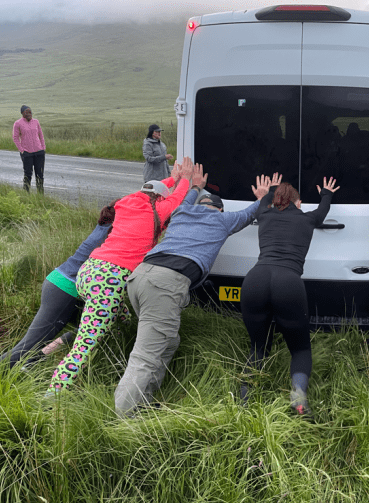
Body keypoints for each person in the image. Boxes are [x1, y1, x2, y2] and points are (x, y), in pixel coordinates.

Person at [114, 168, 273, 416]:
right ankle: (122, 420)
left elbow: (188, 197)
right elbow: (252, 212)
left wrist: (196, 185)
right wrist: (264, 195)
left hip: (139, 277)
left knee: (168, 342)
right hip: (165, 285)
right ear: (220, 209)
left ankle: (143, 402)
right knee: (145, 357)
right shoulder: (223, 219)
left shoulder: (182, 211)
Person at [46, 158, 194, 394]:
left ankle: (119, 331)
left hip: (90, 271)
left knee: (119, 317)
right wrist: (186, 179)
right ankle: (53, 394)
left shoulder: (127, 202)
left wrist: (173, 178)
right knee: (85, 346)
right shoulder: (158, 208)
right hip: (109, 280)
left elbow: (150, 189)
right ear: (160, 199)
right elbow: (176, 200)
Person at [240, 175, 339, 416]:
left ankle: (244, 405)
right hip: (288, 282)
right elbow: (323, 209)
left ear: (274, 202)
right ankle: (298, 399)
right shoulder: (307, 219)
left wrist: (269, 190)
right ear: (298, 203)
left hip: (256, 280)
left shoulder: (264, 213)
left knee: (258, 347)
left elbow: (263, 201)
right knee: (300, 349)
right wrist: (326, 192)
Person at [0, 203, 123, 369]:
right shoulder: (112, 233)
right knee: (30, 344)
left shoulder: (104, 226)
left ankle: (35, 360)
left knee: (92, 330)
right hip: (66, 287)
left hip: (62, 281)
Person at [12, 105, 46, 194]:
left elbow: (41, 135)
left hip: (39, 152)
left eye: (30, 112)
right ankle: (26, 194)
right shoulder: (18, 123)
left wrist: (43, 148)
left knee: (40, 175)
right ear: (22, 113)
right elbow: (15, 138)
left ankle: (40, 195)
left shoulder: (36, 122)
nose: (29, 114)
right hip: (27, 153)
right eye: (26, 112)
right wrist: (22, 150)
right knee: (28, 174)